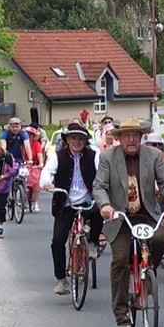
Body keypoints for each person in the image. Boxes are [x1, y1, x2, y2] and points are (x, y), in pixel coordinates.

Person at [94, 116, 164, 326]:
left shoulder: (154, 155)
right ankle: (120, 310)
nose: (131, 140)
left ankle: (148, 273)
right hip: (120, 218)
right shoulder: (108, 157)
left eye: (135, 135)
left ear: (141, 137)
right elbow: (99, 186)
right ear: (119, 138)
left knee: (159, 239)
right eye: (127, 135)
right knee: (119, 259)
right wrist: (105, 206)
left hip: (146, 215)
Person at [48, 122, 101, 294]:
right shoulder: (58, 156)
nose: (76, 141)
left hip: (88, 201)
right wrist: (47, 183)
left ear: (86, 141)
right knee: (57, 241)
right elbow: (47, 172)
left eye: (81, 138)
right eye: (73, 138)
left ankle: (92, 243)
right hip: (66, 204)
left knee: (100, 209)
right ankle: (61, 280)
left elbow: (102, 172)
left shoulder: (94, 155)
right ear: (67, 140)